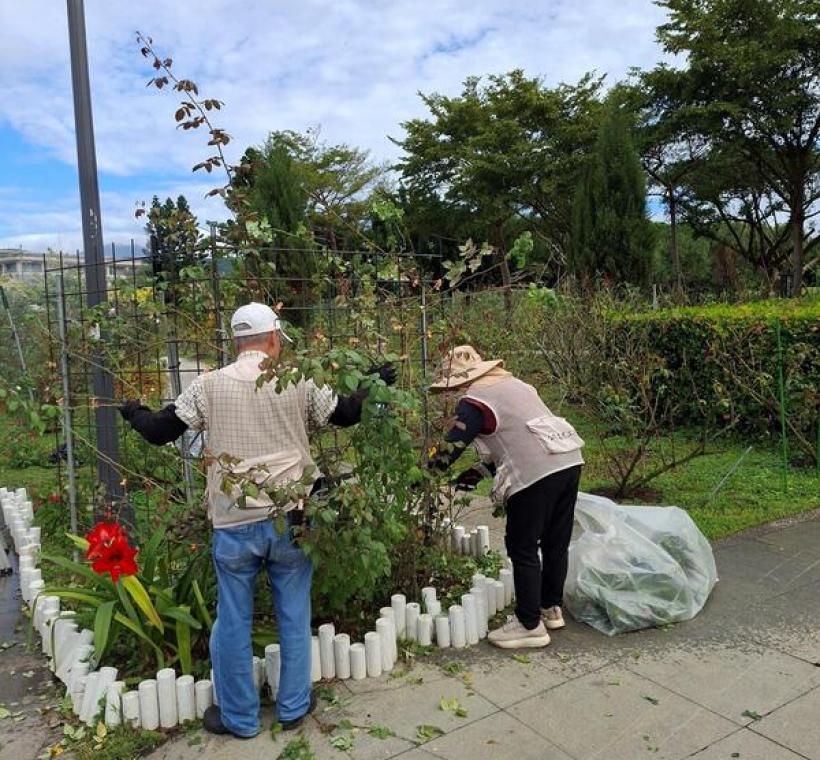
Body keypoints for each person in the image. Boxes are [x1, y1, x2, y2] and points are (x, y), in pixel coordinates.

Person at [120, 302, 395, 737]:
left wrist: (134, 412)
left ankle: (239, 718)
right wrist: (373, 381)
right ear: (273, 338)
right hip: (293, 515)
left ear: (236, 342)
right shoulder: (298, 378)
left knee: (232, 619)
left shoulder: (207, 385)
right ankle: (293, 707)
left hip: (233, 521)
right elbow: (345, 414)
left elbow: (159, 430)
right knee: (293, 611)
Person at [429, 345, 584, 649]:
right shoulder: (516, 386)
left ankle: (529, 625)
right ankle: (550, 608)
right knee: (555, 541)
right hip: (568, 461)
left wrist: (424, 475)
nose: (449, 397)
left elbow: (451, 448)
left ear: (459, 382)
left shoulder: (473, 400)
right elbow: (516, 435)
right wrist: (475, 474)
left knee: (522, 545)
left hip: (536, 472)